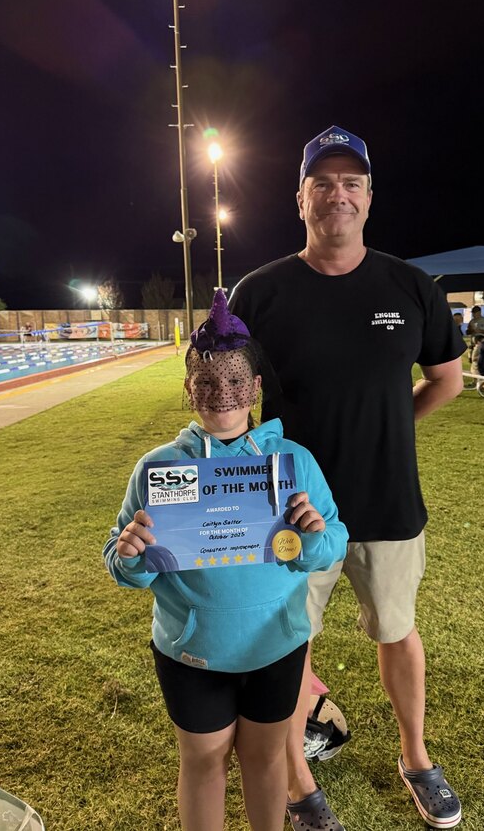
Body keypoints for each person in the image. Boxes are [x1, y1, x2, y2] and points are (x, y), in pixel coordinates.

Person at [229, 125, 465, 830]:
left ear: (368, 196)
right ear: (300, 198)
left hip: (387, 503)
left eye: (351, 182)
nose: (338, 193)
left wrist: (391, 427)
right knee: (285, 647)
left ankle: (416, 757)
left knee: (397, 630)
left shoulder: (410, 287)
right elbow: (230, 397)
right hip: (289, 512)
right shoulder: (257, 293)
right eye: (323, 182)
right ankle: (301, 788)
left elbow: (446, 380)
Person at [103, 290, 348, 831]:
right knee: (203, 762)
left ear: (256, 388)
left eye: (235, 382)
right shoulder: (158, 469)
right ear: (189, 389)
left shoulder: (293, 462)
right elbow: (120, 559)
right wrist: (132, 556)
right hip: (193, 652)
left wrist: (312, 538)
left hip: (275, 646)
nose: (222, 395)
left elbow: (335, 540)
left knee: (265, 760)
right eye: (207, 383)